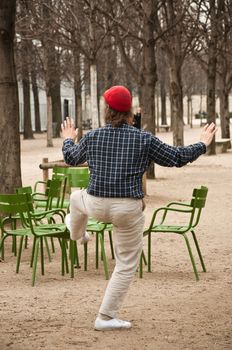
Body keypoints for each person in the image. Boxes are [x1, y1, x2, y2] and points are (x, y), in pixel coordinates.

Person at [61, 85, 216, 331]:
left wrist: (69, 138)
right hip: (127, 208)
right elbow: (176, 158)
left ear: (107, 110)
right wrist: (202, 144)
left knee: (75, 197)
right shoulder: (143, 139)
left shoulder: (92, 136)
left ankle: (77, 233)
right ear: (129, 111)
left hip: (96, 204)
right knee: (125, 264)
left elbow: (70, 158)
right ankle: (105, 317)